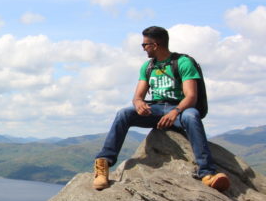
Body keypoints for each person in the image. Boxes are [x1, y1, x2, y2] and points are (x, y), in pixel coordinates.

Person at [93, 26, 229, 192]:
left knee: (192, 117)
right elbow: (137, 96)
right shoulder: (148, 67)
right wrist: (139, 104)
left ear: (155, 45)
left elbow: (191, 96)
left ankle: (207, 174)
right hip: (156, 109)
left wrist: (175, 112)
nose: (143, 48)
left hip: (180, 110)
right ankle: (103, 165)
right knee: (124, 114)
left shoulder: (183, 63)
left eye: (145, 45)